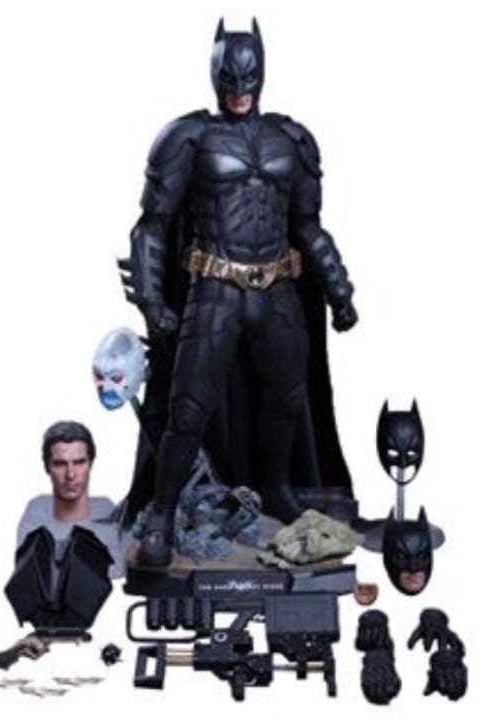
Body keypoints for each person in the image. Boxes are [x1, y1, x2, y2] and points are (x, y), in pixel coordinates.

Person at [121, 19, 359, 567]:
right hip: (215, 287)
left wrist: (339, 290)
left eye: (247, 79)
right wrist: (153, 302)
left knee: (287, 398)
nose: (239, 90)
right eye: (229, 78)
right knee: (189, 406)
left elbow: (308, 226)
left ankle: (276, 488)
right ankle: (162, 512)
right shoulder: (188, 137)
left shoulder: (292, 140)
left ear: (263, 73)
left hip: (278, 288)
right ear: (214, 75)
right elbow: (152, 226)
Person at [16, 420, 126, 578]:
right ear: (47, 467)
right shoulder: (33, 521)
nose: (71, 474)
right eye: (60, 464)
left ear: (90, 464)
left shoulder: (107, 511)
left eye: (79, 462)